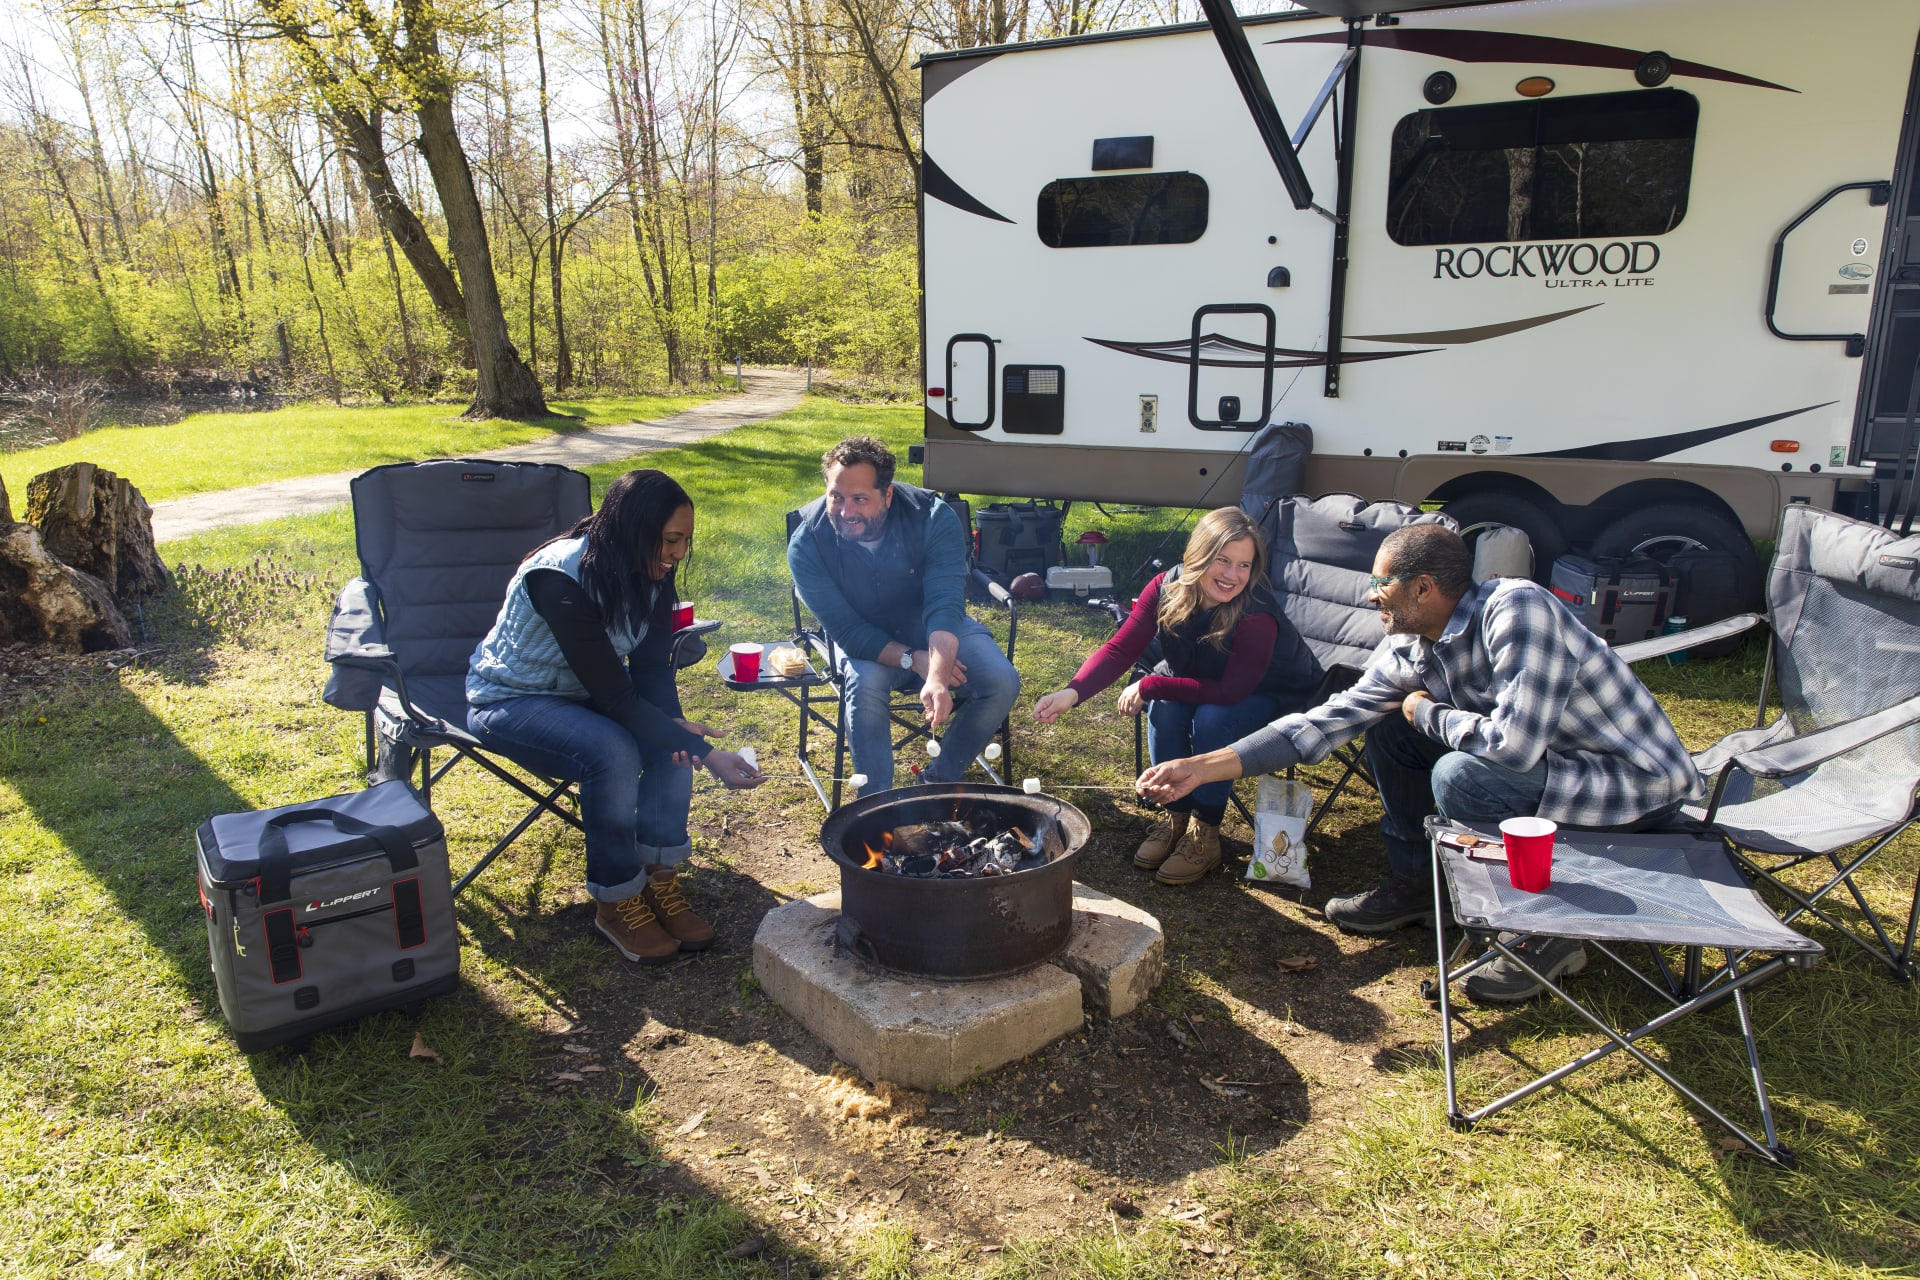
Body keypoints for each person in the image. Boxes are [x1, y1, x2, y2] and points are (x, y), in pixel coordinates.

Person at [1137, 523, 1701, 1001]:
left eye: (1381, 583)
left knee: (1460, 773)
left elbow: (1514, 747)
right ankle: (1417, 884)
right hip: (1551, 774)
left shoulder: (1518, 612)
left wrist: (1427, 712)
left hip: (1630, 787)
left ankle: (1537, 929)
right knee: (1388, 725)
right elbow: (1323, 722)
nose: (1370, 596)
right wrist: (1203, 768)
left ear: (1424, 588)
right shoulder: (1411, 642)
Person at [466, 468, 763, 965]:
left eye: (685, 541)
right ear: (632, 530)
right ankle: (617, 899)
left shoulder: (652, 578)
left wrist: (679, 735)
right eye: (670, 540)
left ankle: (659, 878)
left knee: (671, 744)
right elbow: (615, 695)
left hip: (589, 698)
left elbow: (648, 673)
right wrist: (709, 754)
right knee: (614, 750)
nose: (678, 554)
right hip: (512, 701)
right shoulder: (557, 578)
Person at [1033, 508, 1317, 884]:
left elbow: (1231, 692)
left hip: (1269, 692)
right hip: (1202, 677)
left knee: (1210, 719)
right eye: (1223, 560)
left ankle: (1206, 832)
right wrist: (1073, 691)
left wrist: (1150, 684)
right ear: (1198, 555)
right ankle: (1176, 817)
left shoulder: (1255, 613)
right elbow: (1122, 648)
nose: (1233, 576)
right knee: (1166, 709)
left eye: (1244, 565)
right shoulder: (1168, 586)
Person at [787, 435, 1020, 796]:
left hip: (932, 628)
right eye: (836, 497)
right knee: (864, 686)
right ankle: (878, 803)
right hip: (870, 644)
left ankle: (937, 781)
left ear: (888, 494)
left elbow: (944, 605)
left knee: (1001, 681)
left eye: (860, 499)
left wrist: (938, 674)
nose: (846, 512)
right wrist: (914, 660)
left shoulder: (931, 518)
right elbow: (849, 633)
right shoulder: (808, 543)